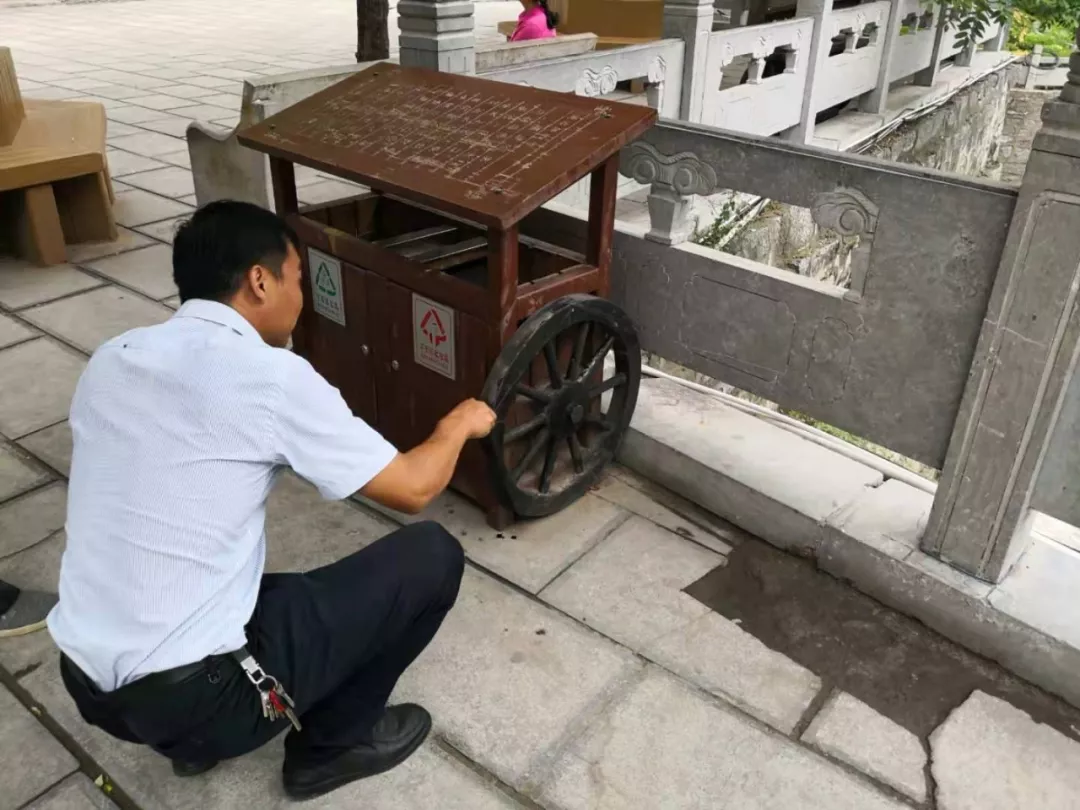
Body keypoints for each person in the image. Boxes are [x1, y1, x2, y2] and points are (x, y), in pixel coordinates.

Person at [47, 200, 496, 801]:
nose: (302, 298)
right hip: (196, 701)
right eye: (299, 280)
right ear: (260, 281)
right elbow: (412, 488)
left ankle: (185, 741)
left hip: (85, 682)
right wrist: (460, 423)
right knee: (432, 558)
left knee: (281, 589)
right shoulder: (268, 375)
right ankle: (330, 747)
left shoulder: (113, 357)